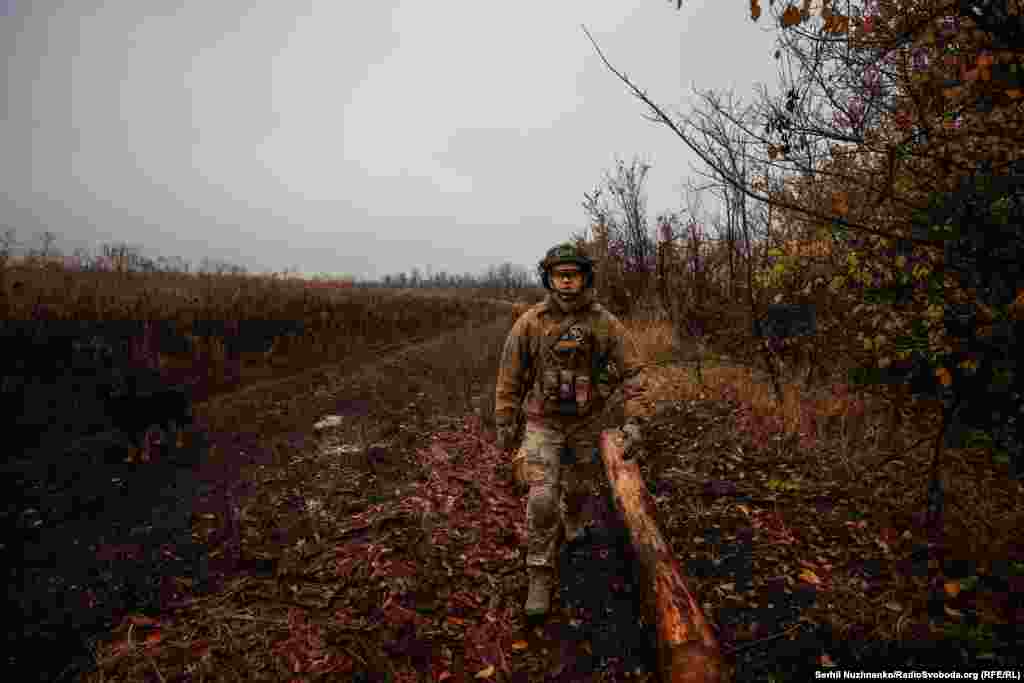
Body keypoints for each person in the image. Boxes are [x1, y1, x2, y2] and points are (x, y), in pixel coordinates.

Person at [494, 242, 648, 618]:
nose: (566, 280)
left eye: (573, 274)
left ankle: (574, 518)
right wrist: (505, 421)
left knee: (578, 488)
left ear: (585, 277)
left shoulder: (604, 323)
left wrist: (635, 421)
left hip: (585, 422)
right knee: (542, 497)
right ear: (548, 278)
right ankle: (540, 574)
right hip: (542, 422)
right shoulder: (530, 323)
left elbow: (634, 373)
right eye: (559, 274)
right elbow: (509, 377)